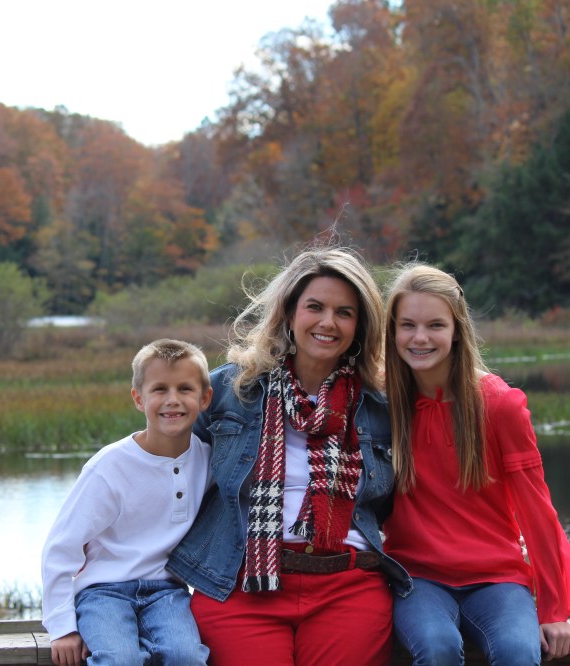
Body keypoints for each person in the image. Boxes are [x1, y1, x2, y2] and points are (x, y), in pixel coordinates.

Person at [166, 246, 412, 666]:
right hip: (242, 583)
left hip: (348, 585)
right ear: (289, 313)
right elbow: (160, 470)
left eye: (344, 312)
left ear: (361, 325)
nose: (327, 322)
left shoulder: (382, 403)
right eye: (314, 306)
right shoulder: (229, 389)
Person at [381, 263, 570, 665]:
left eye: (435, 325)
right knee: (437, 647)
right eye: (407, 325)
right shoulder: (384, 403)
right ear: (392, 331)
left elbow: (538, 512)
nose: (419, 338)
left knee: (520, 652)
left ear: (457, 329)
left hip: (497, 578)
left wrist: (556, 609)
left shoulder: (498, 405)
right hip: (418, 578)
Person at [41, 338, 214, 666]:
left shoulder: (207, 460)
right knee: (120, 660)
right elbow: (60, 550)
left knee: (187, 657)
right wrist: (61, 628)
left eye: (185, 389)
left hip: (167, 592)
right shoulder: (109, 467)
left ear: (205, 398)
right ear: (138, 398)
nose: (172, 400)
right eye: (159, 389)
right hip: (103, 592)